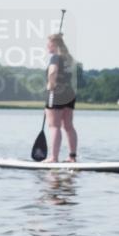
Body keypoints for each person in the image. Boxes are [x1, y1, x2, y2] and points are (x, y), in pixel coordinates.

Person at [44, 33, 78, 162]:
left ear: (54, 45)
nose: (47, 47)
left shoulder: (55, 57)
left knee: (54, 126)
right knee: (68, 126)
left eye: (48, 44)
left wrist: (50, 85)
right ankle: (72, 157)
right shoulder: (69, 58)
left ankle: (53, 157)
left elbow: (53, 71)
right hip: (69, 93)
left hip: (56, 93)